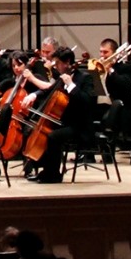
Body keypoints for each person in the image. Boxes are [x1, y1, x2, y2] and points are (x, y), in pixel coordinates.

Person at [32, 46, 98, 184]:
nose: (56, 67)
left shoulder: (85, 78)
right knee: (39, 131)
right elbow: (48, 91)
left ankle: (54, 174)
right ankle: (44, 170)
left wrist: (71, 85)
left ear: (67, 62)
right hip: (65, 122)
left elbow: (87, 102)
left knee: (53, 136)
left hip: (80, 126)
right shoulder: (61, 78)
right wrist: (34, 95)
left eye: (58, 63)